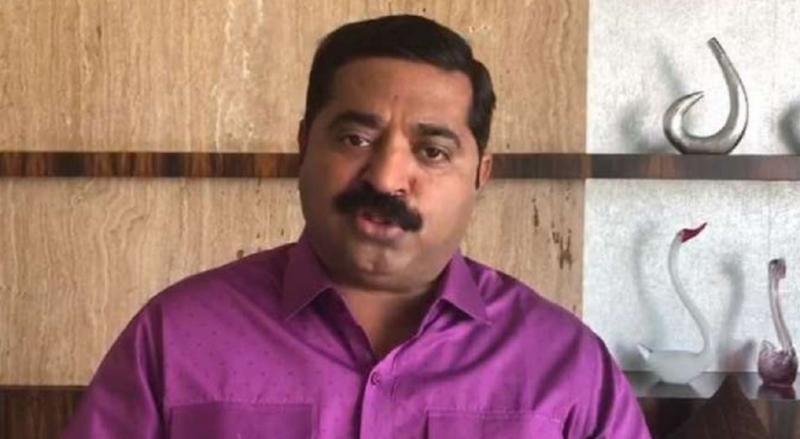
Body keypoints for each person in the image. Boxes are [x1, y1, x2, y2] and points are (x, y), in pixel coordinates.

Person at [63, 15, 650, 438]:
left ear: (480, 174)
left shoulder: (564, 364)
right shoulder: (176, 337)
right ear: (304, 146)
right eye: (355, 138)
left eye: (432, 151)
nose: (387, 177)